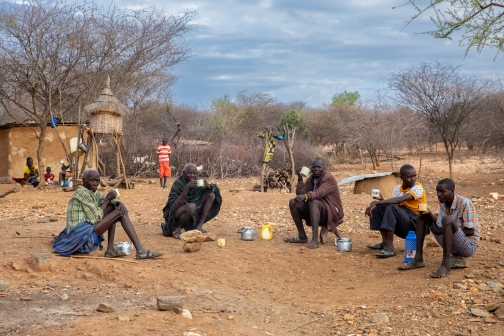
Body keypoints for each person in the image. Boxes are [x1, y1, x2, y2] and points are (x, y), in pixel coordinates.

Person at [53, 168, 163, 259]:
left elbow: (105, 197)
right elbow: (95, 218)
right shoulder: (83, 194)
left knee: (113, 207)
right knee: (119, 212)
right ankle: (140, 250)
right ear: (84, 180)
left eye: (97, 180)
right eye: (92, 180)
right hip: (81, 241)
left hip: (81, 236)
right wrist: (107, 201)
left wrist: (118, 202)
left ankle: (110, 250)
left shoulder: (90, 192)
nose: (95, 183)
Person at [398, 178, 479, 278]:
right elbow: (440, 225)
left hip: (466, 246)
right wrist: (429, 214)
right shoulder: (443, 202)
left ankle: (446, 265)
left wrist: (441, 230)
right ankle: (418, 259)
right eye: (437, 191)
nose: (439, 194)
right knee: (421, 216)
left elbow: (470, 231)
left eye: (442, 191)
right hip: (450, 243)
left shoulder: (465, 203)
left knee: (447, 220)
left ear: (452, 191)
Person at [365, 164, 426, 258]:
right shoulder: (398, 189)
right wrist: (380, 200)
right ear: (402, 177)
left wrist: (378, 203)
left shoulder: (418, 188)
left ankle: (390, 248)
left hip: (415, 225)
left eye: (414, 176)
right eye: (409, 177)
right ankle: (385, 243)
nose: (413, 179)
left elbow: (400, 200)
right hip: (404, 220)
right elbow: (394, 206)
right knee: (378, 206)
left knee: (388, 206)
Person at [283, 158, 344, 249]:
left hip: (332, 212)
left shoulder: (329, 178)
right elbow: (301, 194)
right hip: (316, 211)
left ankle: (314, 240)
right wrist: (300, 179)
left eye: (318, 167)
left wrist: (306, 196)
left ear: (324, 168)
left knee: (314, 202)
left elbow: (318, 193)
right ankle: (302, 236)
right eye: (314, 167)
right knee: (293, 202)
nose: (316, 169)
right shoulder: (311, 179)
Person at [161, 163, 222, 239]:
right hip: (177, 214)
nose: (192, 175)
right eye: (189, 173)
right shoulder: (178, 183)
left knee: (211, 195)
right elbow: (174, 206)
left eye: (194, 173)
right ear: (184, 173)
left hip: (192, 214)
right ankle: (176, 228)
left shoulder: (198, 181)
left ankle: (199, 226)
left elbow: (214, 189)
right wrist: (186, 188)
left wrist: (208, 187)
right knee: (191, 206)